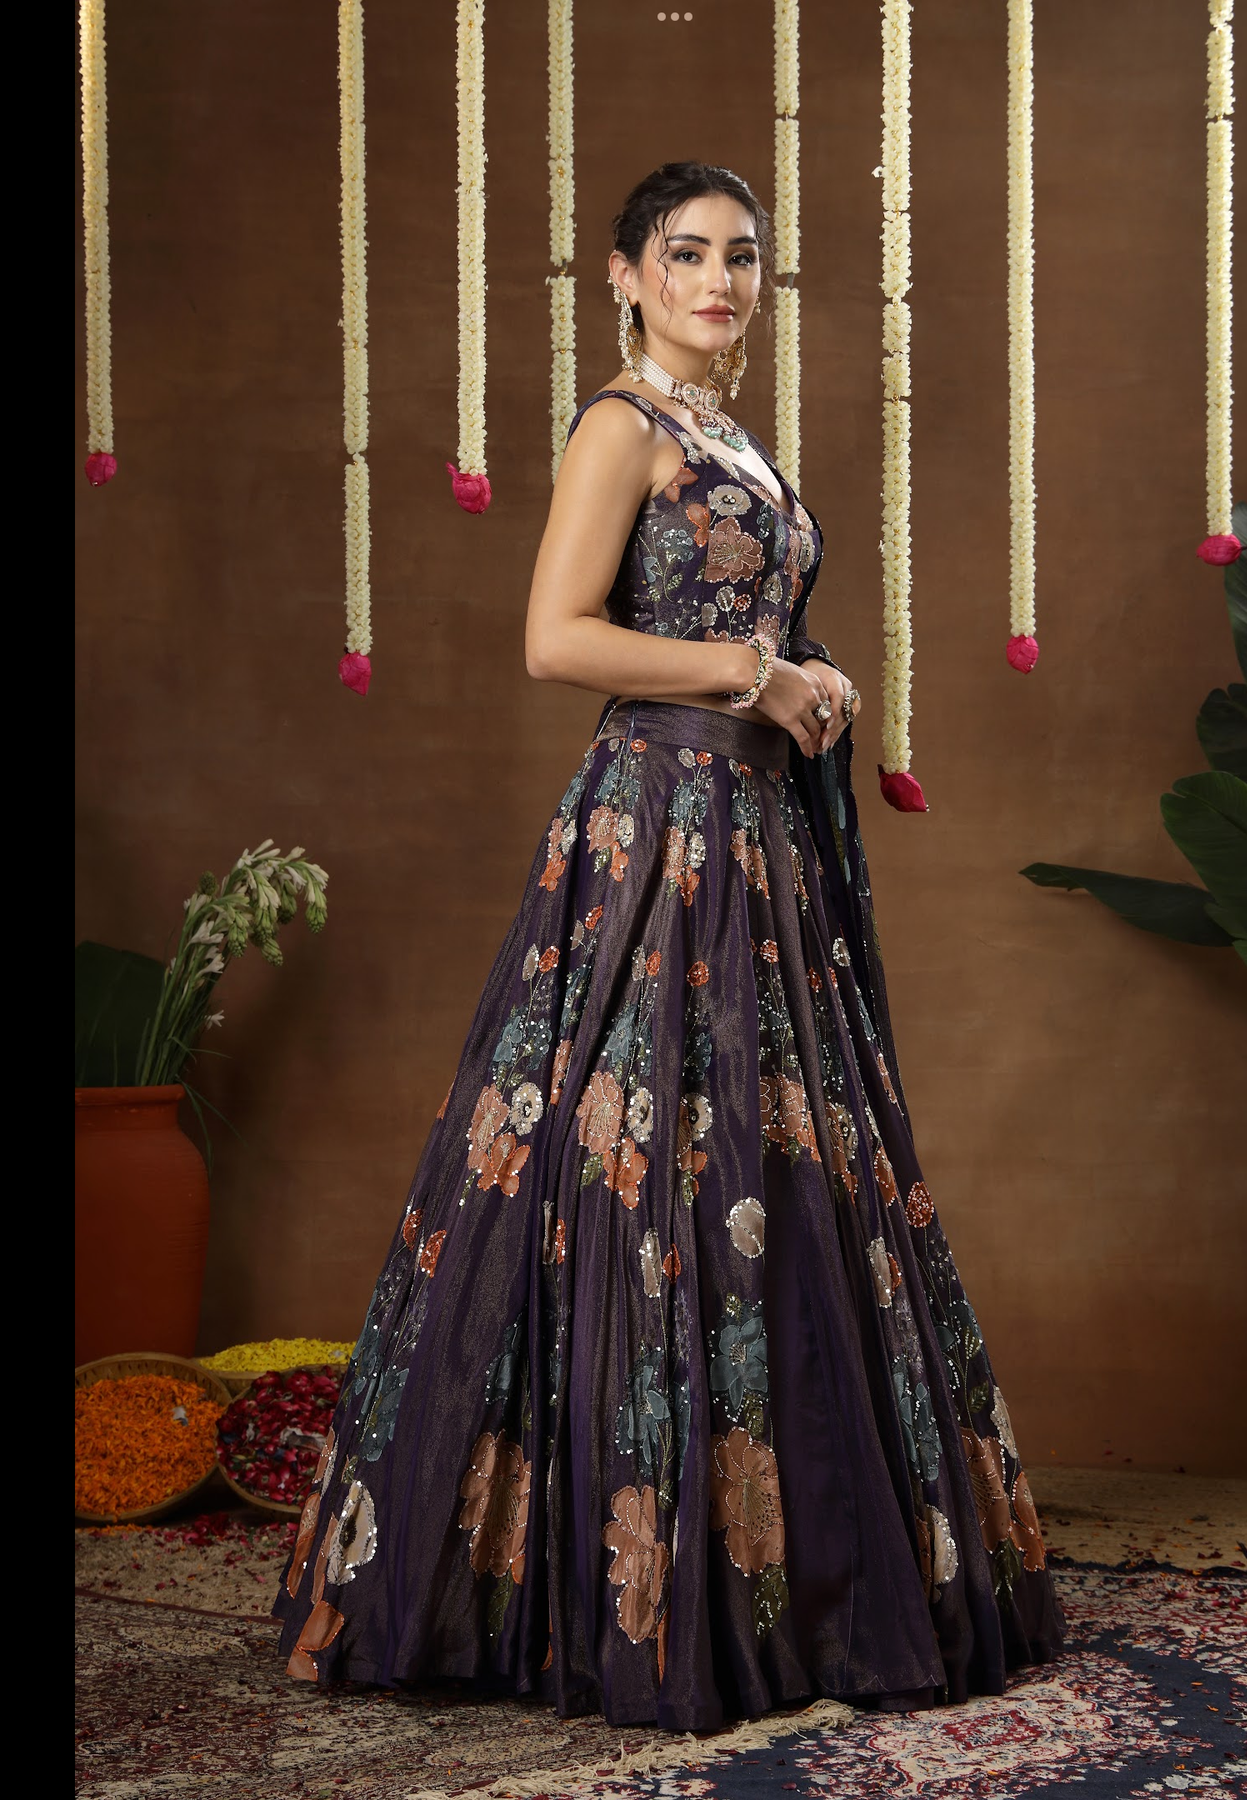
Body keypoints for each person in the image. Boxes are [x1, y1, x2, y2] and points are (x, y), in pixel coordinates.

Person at [273, 160, 1063, 1731]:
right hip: (657, 840)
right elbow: (555, 637)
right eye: (685, 253)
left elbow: (739, 625)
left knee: (758, 1164)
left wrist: (811, 681)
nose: (717, 279)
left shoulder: (728, 436)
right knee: (637, 1164)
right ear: (624, 275)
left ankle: (797, 1569)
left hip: (753, 841)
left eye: (741, 256)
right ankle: (609, 1586)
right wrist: (755, 678)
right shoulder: (621, 426)